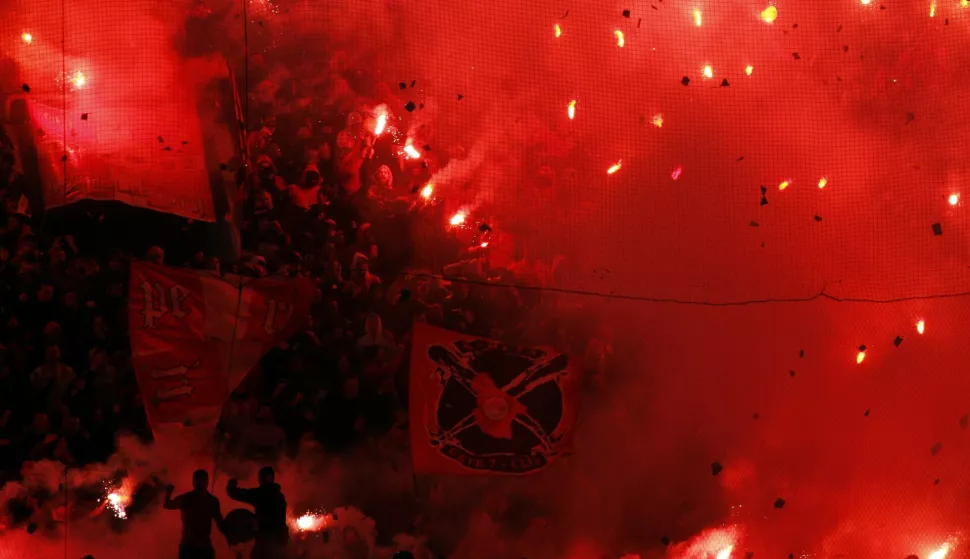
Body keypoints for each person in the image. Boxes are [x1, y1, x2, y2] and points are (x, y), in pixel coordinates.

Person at [226, 466, 288, 559]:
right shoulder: (279, 496)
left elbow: (241, 494)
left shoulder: (261, 494)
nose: (261, 479)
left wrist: (231, 488)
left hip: (267, 539)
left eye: (263, 477)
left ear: (269, 477)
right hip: (278, 540)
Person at [164, 469, 226, 559]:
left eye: (202, 480)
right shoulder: (188, 499)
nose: (201, 483)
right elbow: (168, 505)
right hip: (191, 547)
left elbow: (221, 524)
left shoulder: (211, 501)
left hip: (199, 547)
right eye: (199, 480)